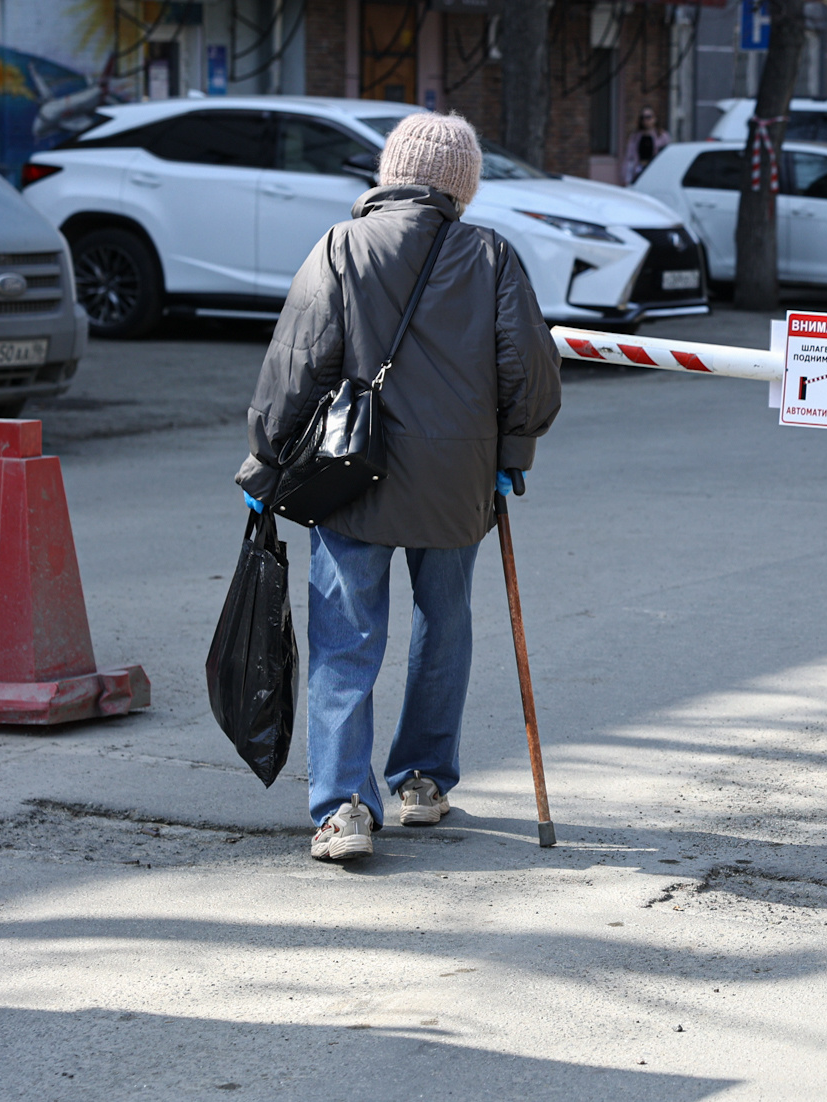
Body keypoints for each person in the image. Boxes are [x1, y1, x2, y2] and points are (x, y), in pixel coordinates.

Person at [236, 113, 562, 863]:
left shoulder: (342, 248)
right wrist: (513, 453)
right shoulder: (490, 256)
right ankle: (420, 781)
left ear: (389, 173)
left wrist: (266, 460)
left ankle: (345, 806)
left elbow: (297, 366)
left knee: (345, 640)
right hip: (458, 484)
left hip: (351, 474)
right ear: (463, 186)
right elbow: (530, 376)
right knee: (444, 625)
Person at [621, 105, 671, 185]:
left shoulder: (662, 136)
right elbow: (629, 158)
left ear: (654, 119)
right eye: (642, 118)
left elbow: (667, 157)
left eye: (648, 117)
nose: (645, 120)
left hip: (655, 172)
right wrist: (626, 177)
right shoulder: (635, 137)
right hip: (638, 170)